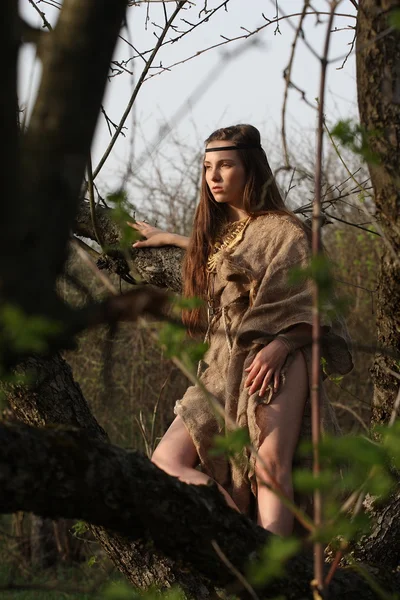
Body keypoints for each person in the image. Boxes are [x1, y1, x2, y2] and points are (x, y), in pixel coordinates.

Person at [129, 124, 353, 535]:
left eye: (225, 165)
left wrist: (282, 344)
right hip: (220, 368)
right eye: (207, 166)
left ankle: (274, 573)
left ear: (250, 168)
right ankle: (246, 544)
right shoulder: (222, 238)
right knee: (167, 461)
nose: (213, 176)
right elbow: (227, 256)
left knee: (269, 470)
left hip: (276, 362)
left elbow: (320, 309)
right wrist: (177, 240)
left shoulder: (287, 231)